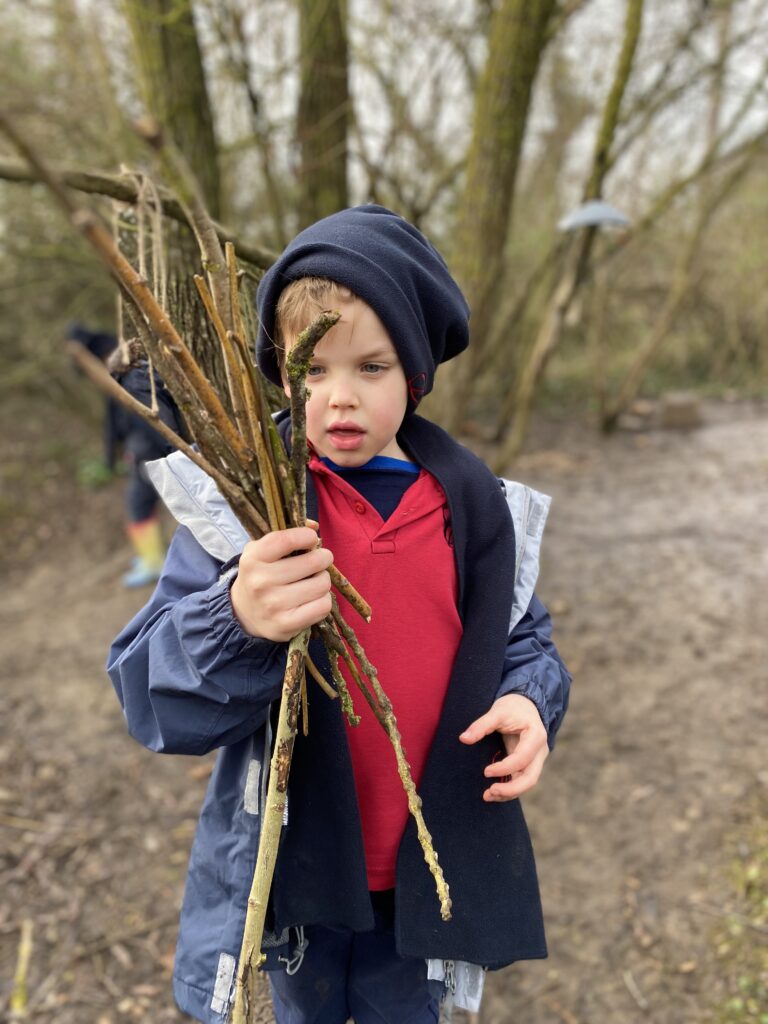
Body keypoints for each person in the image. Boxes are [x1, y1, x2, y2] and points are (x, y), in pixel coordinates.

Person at [107, 205, 572, 1023]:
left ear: (416, 375)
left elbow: (524, 641)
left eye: (371, 367)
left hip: (424, 889)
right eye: (311, 371)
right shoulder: (244, 517)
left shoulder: (474, 512)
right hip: (295, 886)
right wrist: (236, 617)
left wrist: (531, 701)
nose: (338, 398)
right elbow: (149, 694)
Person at [67, 324, 182, 588]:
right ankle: (153, 556)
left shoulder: (126, 372)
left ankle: (154, 560)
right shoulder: (127, 369)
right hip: (143, 446)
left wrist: (82, 358)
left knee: (139, 501)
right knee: (141, 501)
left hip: (146, 448)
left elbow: (110, 385)